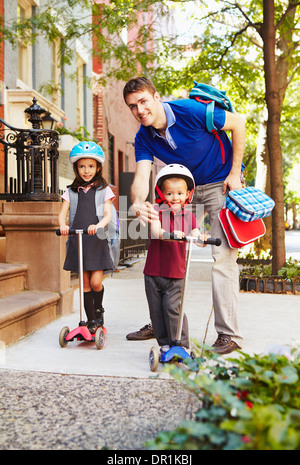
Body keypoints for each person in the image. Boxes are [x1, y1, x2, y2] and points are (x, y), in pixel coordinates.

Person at [123, 76, 246, 355]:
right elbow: (142, 175)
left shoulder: (190, 110)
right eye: (133, 106)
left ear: (156, 97)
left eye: (143, 101)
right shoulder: (144, 137)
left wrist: (235, 173)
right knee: (163, 248)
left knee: (222, 257)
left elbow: (238, 122)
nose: (140, 110)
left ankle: (229, 335)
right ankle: (165, 323)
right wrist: (136, 202)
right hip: (179, 193)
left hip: (217, 184)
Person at [144, 164, 205, 352]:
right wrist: (171, 233)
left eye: (180, 193)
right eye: (169, 193)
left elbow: (196, 234)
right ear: (162, 194)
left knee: (173, 309)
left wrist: (201, 238)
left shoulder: (189, 216)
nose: (175, 197)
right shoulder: (156, 211)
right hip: (153, 272)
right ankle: (164, 345)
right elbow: (156, 231)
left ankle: (181, 345)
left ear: (188, 194)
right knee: (157, 312)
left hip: (176, 273)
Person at [58, 141, 115, 333]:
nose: (86, 170)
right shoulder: (70, 191)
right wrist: (63, 225)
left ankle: (99, 313)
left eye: (91, 166)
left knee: (95, 282)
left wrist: (98, 226)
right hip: (79, 240)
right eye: (82, 166)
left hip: (95, 241)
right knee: (84, 284)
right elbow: (62, 213)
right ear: (76, 168)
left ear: (98, 167)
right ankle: (90, 322)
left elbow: (107, 214)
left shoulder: (103, 190)